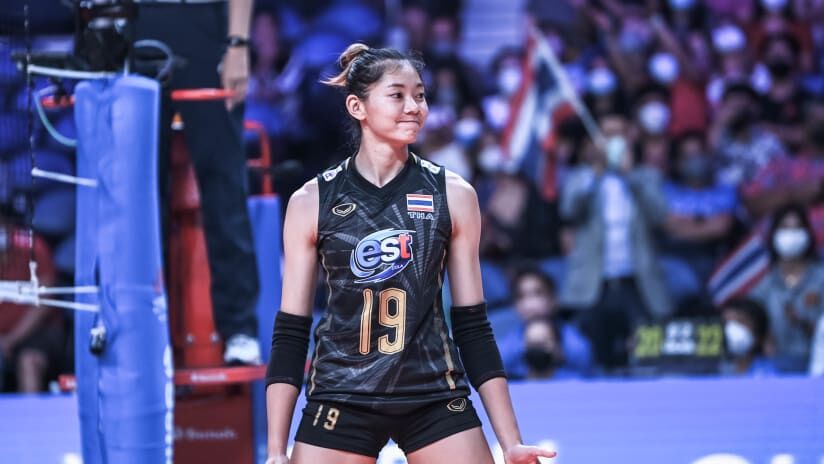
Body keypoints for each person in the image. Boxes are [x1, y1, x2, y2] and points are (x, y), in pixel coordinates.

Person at [264, 44, 556, 464]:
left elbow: (473, 326)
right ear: (357, 107)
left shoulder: (453, 194)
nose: (415, 107)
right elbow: (292, 331)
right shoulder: (312, 200)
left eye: (420, 95)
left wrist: (511, 442)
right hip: (342, 393)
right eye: (397, 95)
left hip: (432, 393)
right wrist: (276, 451)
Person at [132, 0, 261, 364]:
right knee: (140, 191)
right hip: (136, 22)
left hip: (205, 25)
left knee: (223, 181)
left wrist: (238, 44)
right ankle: (144, 329)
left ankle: (239, 328)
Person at [749, 203, 824, 372]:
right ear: (774, 235)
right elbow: (751, 318)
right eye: (785, 228)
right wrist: (764, 337)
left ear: (808, 234)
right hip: (777, 364)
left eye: (797, 228)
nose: (791, 235)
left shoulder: (821, 278)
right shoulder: (766, 283)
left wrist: (806, 325)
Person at [718, 298, 777, 377]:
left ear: (758, 329)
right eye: (726, 322)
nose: (732, 329)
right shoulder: (713, 372)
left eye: (740, 322)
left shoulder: (775, 373)